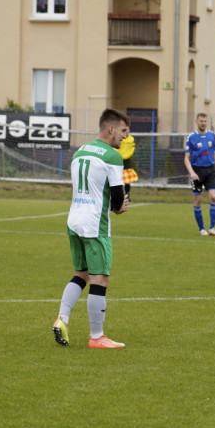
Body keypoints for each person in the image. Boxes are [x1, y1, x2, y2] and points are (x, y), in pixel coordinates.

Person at [52, 108, 131, 349]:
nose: (125, 137)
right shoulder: (113, 157)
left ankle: (61, 319)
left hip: (74, 220)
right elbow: (118, 198)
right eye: (123, 131)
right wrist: (119, 207)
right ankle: (97, 337)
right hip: (95, 225)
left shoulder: (79, 152)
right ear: (111, 129)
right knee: (100, 279)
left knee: (81, 274)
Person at [183, 112, 215, 236]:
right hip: (197, 171)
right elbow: (186, 158)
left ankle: (212, 228)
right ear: (196, 122)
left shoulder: (212, 136)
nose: (203, 123)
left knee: (213, 197)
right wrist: (192, 173)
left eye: (205, 121)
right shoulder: (191, 137)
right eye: (201, 121)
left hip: (210, 170)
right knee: (198, 200)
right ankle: (201, 228)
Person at [114, 133, 138, 201]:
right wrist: (120, 156)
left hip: (127, 160)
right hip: (118, 159)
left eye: (127, 130)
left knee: (127, 180)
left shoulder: (131, 139)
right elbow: (115, 148)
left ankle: (127, 196)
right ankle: (118, 196)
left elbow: (131, 149)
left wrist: (126, 156)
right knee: (117, 179)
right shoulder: (118, 138)